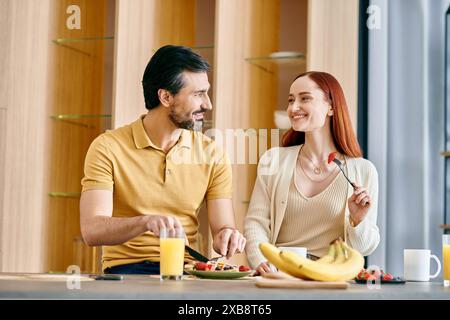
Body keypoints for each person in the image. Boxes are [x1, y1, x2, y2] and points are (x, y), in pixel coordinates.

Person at [80, 45, 246, 274]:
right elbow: (92, 230)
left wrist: (228, 235)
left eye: (206, 93)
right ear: (165, 96)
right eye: (198, 94)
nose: (208, 104)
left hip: (187, 270)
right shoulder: (108, 147)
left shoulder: (212, 153)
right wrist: (144, 222)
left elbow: (221, 230)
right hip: (127, 271)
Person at [244, 71, 380, 275]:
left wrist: (357, 220)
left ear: (331, 107)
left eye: (305, 98)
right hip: (280, 274)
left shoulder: (363, 170)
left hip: (332, 277)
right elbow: (256, 222)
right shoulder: (273, 160)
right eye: (291, 100)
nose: (293, 107)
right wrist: (260, 261)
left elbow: (364, 248)